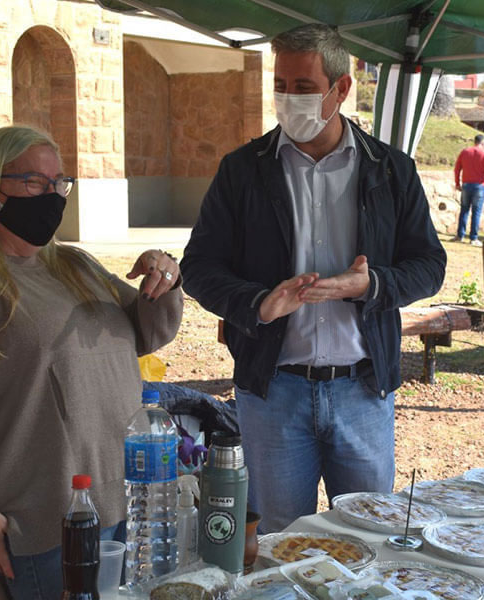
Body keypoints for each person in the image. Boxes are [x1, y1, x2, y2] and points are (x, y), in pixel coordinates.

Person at [180, 23, 446, 534]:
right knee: (281, 541)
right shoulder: (243, 171)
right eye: (280, 85)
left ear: (341, 89)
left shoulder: (391, 170)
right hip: (273, 390)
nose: (288, 99)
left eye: (303, 87)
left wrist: (371, 286)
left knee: (370, 535)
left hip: (362, 390)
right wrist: (258, 303)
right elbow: (199, 267)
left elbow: (429, 265)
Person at [0, 126, 183, 599]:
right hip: (43, 521)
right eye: (34, 182)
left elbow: (147, 333)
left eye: (59, 183)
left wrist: (163, 282)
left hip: (126, 500)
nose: (52, 195)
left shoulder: (75, 265)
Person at [453, 133, 484, 246]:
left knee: (464, 210)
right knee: (476, 212)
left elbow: (457, 169)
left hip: (466, 185)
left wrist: (457, 183)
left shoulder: (465, 152)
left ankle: (460, 235)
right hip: (479, 186)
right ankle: (473, 238)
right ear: (483, 143)